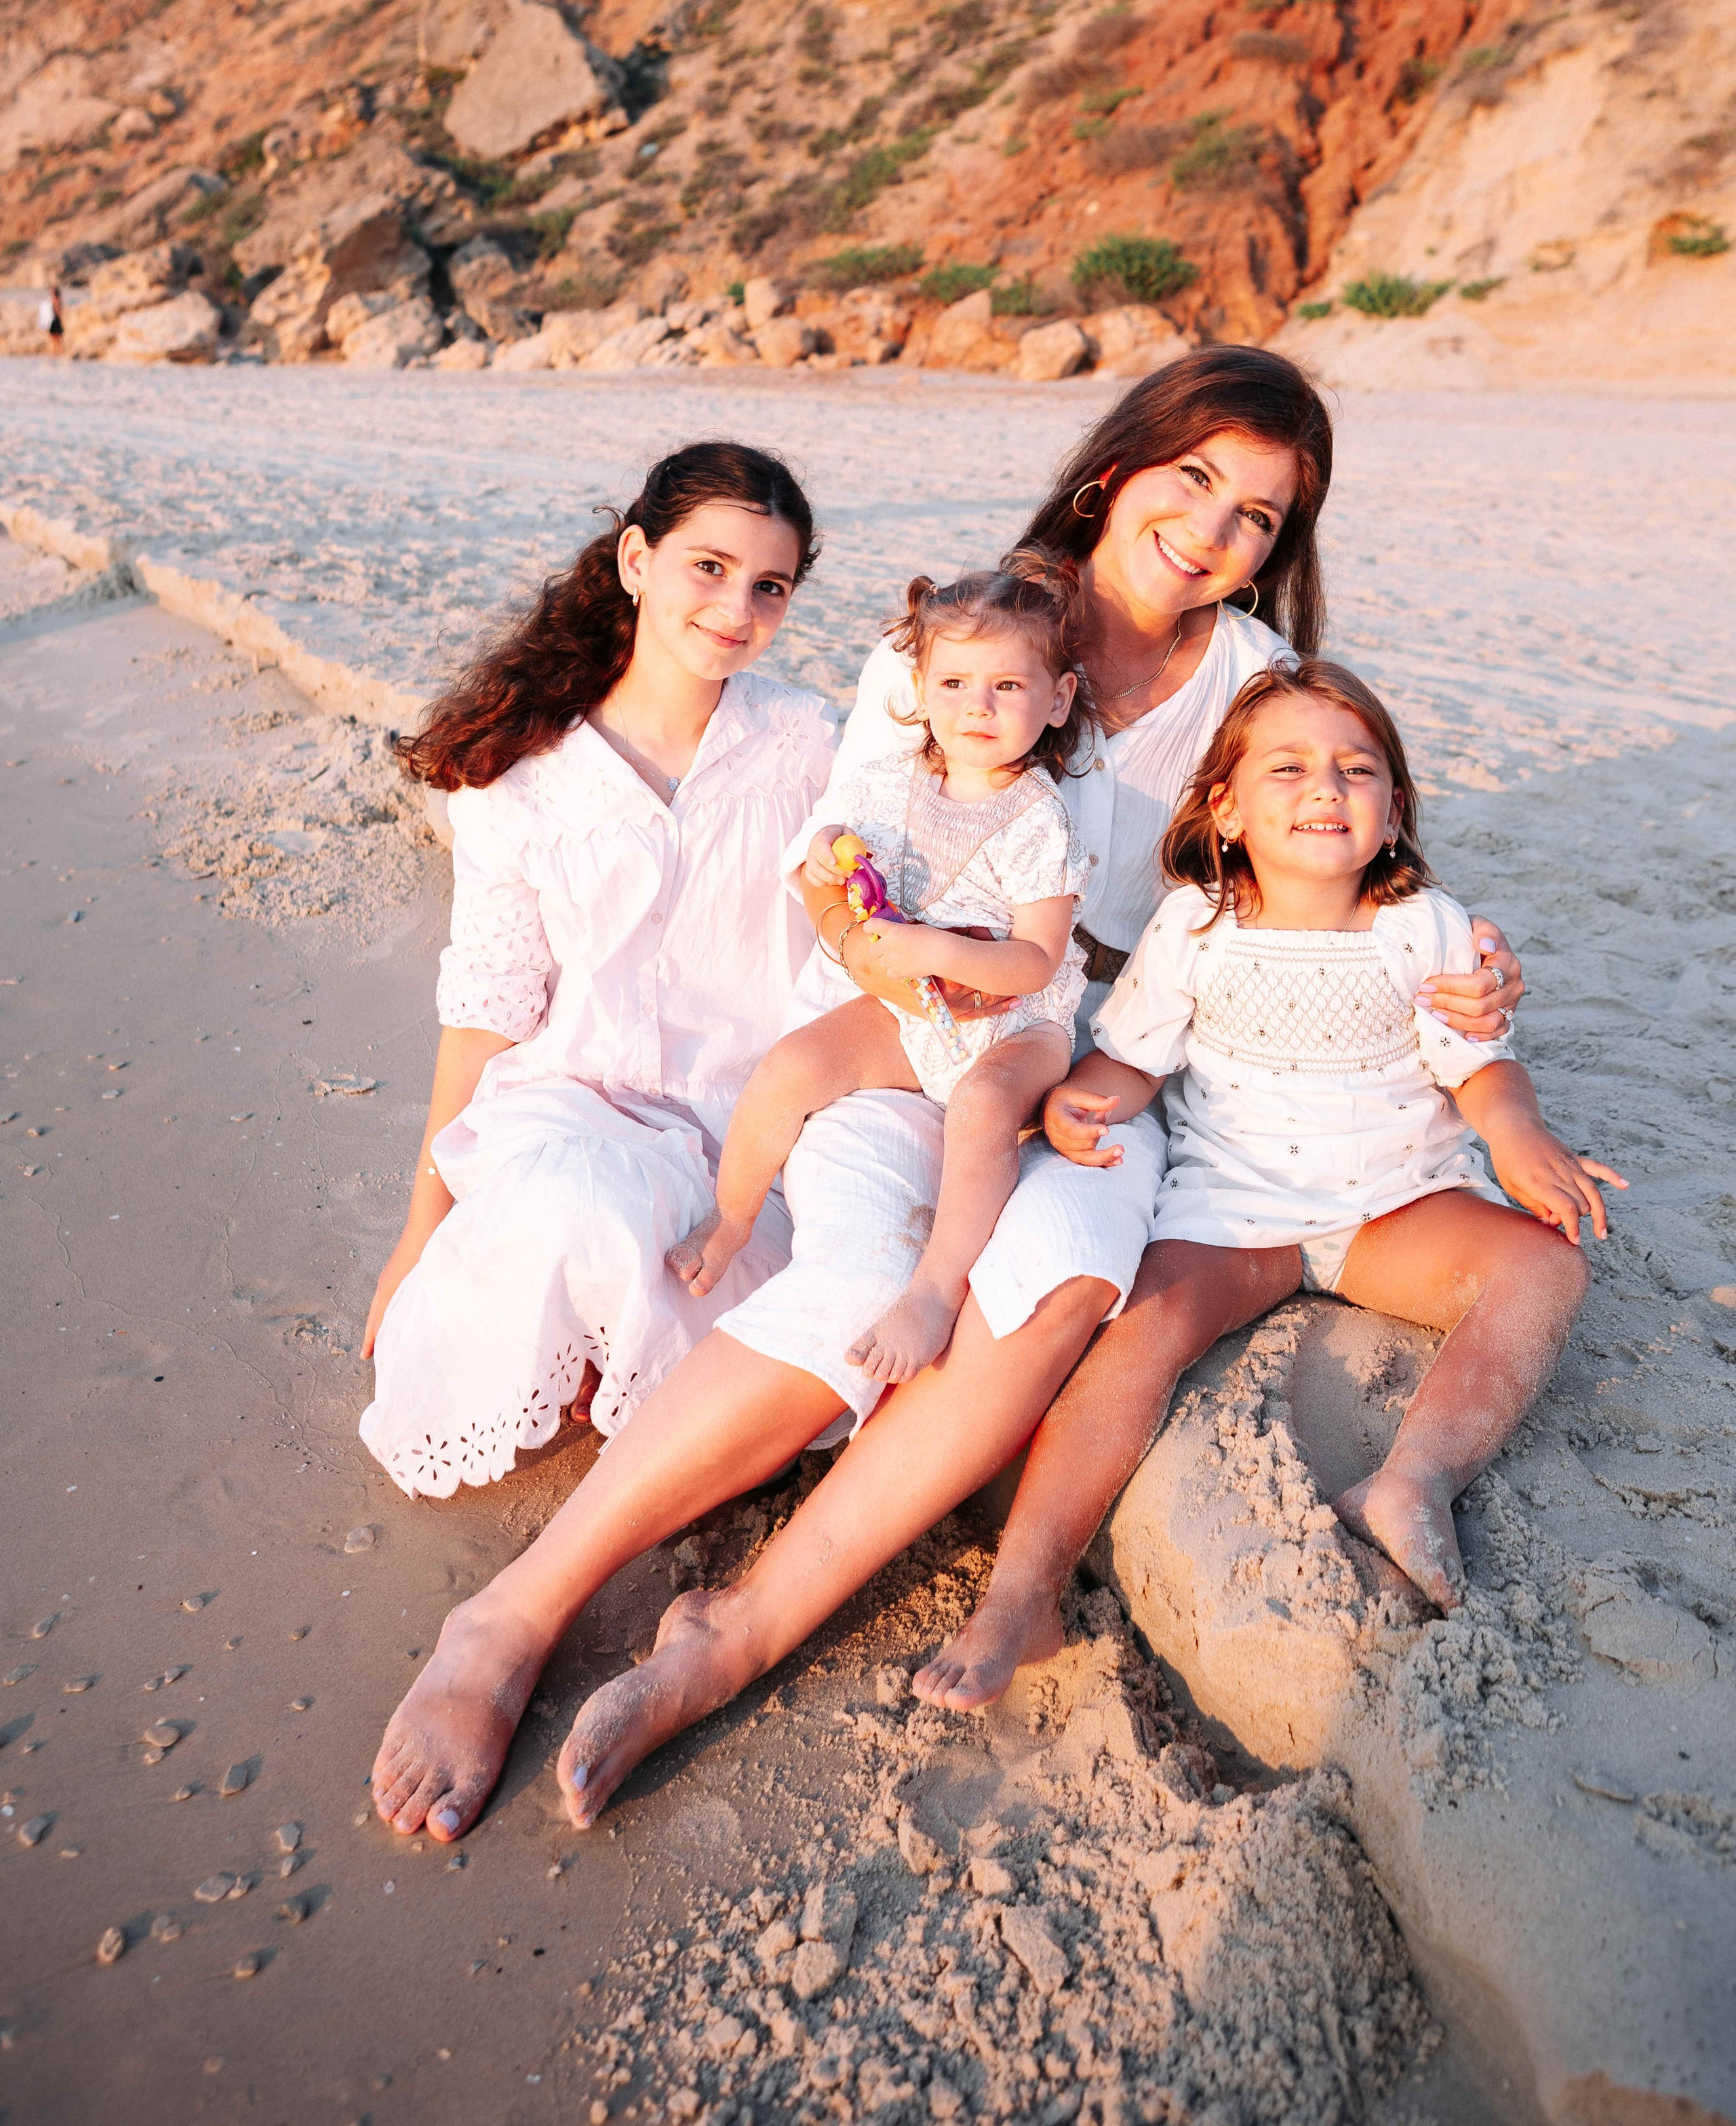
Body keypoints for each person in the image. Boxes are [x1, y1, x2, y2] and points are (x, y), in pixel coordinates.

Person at [368, 347, 1524, 1844]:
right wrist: (934, 982)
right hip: (896, 1024)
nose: (1214, 529)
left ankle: (734, 1636)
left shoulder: (1247, 682)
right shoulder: (961, 636)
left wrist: (1461, 971)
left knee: (1049, 1293)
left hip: (1100, 1055)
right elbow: (837, 874)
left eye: (1258, 516)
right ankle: (509, 1621)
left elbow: (1316, 843)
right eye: (1195, 480)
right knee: (861, 1271)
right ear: (1120, 466)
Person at [1038, 656, 1617, 1614]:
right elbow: (1136, 1058)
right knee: (1136, 1333)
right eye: (1289, 768)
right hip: (1233, 1208)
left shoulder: (1420, 925)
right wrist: (1079, 1101)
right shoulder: (1194, 924)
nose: (1326, 787)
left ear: (1392, 813)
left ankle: (1413, 1479)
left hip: (1398, 1203)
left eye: (1357, 769)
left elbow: (1478, 1063)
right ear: (1225, 809)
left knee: (1546, 1271)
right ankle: (1030, 1581)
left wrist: (1518, 1137)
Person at [357, 442, 836, 1495]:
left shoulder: (807, 744)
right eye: (707, 568)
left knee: (733, 1285)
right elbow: (488, 1002)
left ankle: (618, 1353)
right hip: (576, 1107)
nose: (735, 608)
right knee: (578, 1207)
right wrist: (421, 1233)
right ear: (635, 559)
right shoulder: (518, 778)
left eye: (770, 587)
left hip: (747, 1126)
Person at [672, 553, 1092, 1385]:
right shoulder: (892, 779)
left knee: (979, 1108)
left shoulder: (1040, 817)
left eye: (1007, 688)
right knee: (794, 1064)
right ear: (922, 689)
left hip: (1018, 1021)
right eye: (954, 685)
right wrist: (832, 852)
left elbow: (1039, 959)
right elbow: (836, 853)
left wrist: (938, 949)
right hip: (918, 1007)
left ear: (1058, 700)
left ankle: (933, 1291)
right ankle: (729, 1217)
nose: (977, 707)